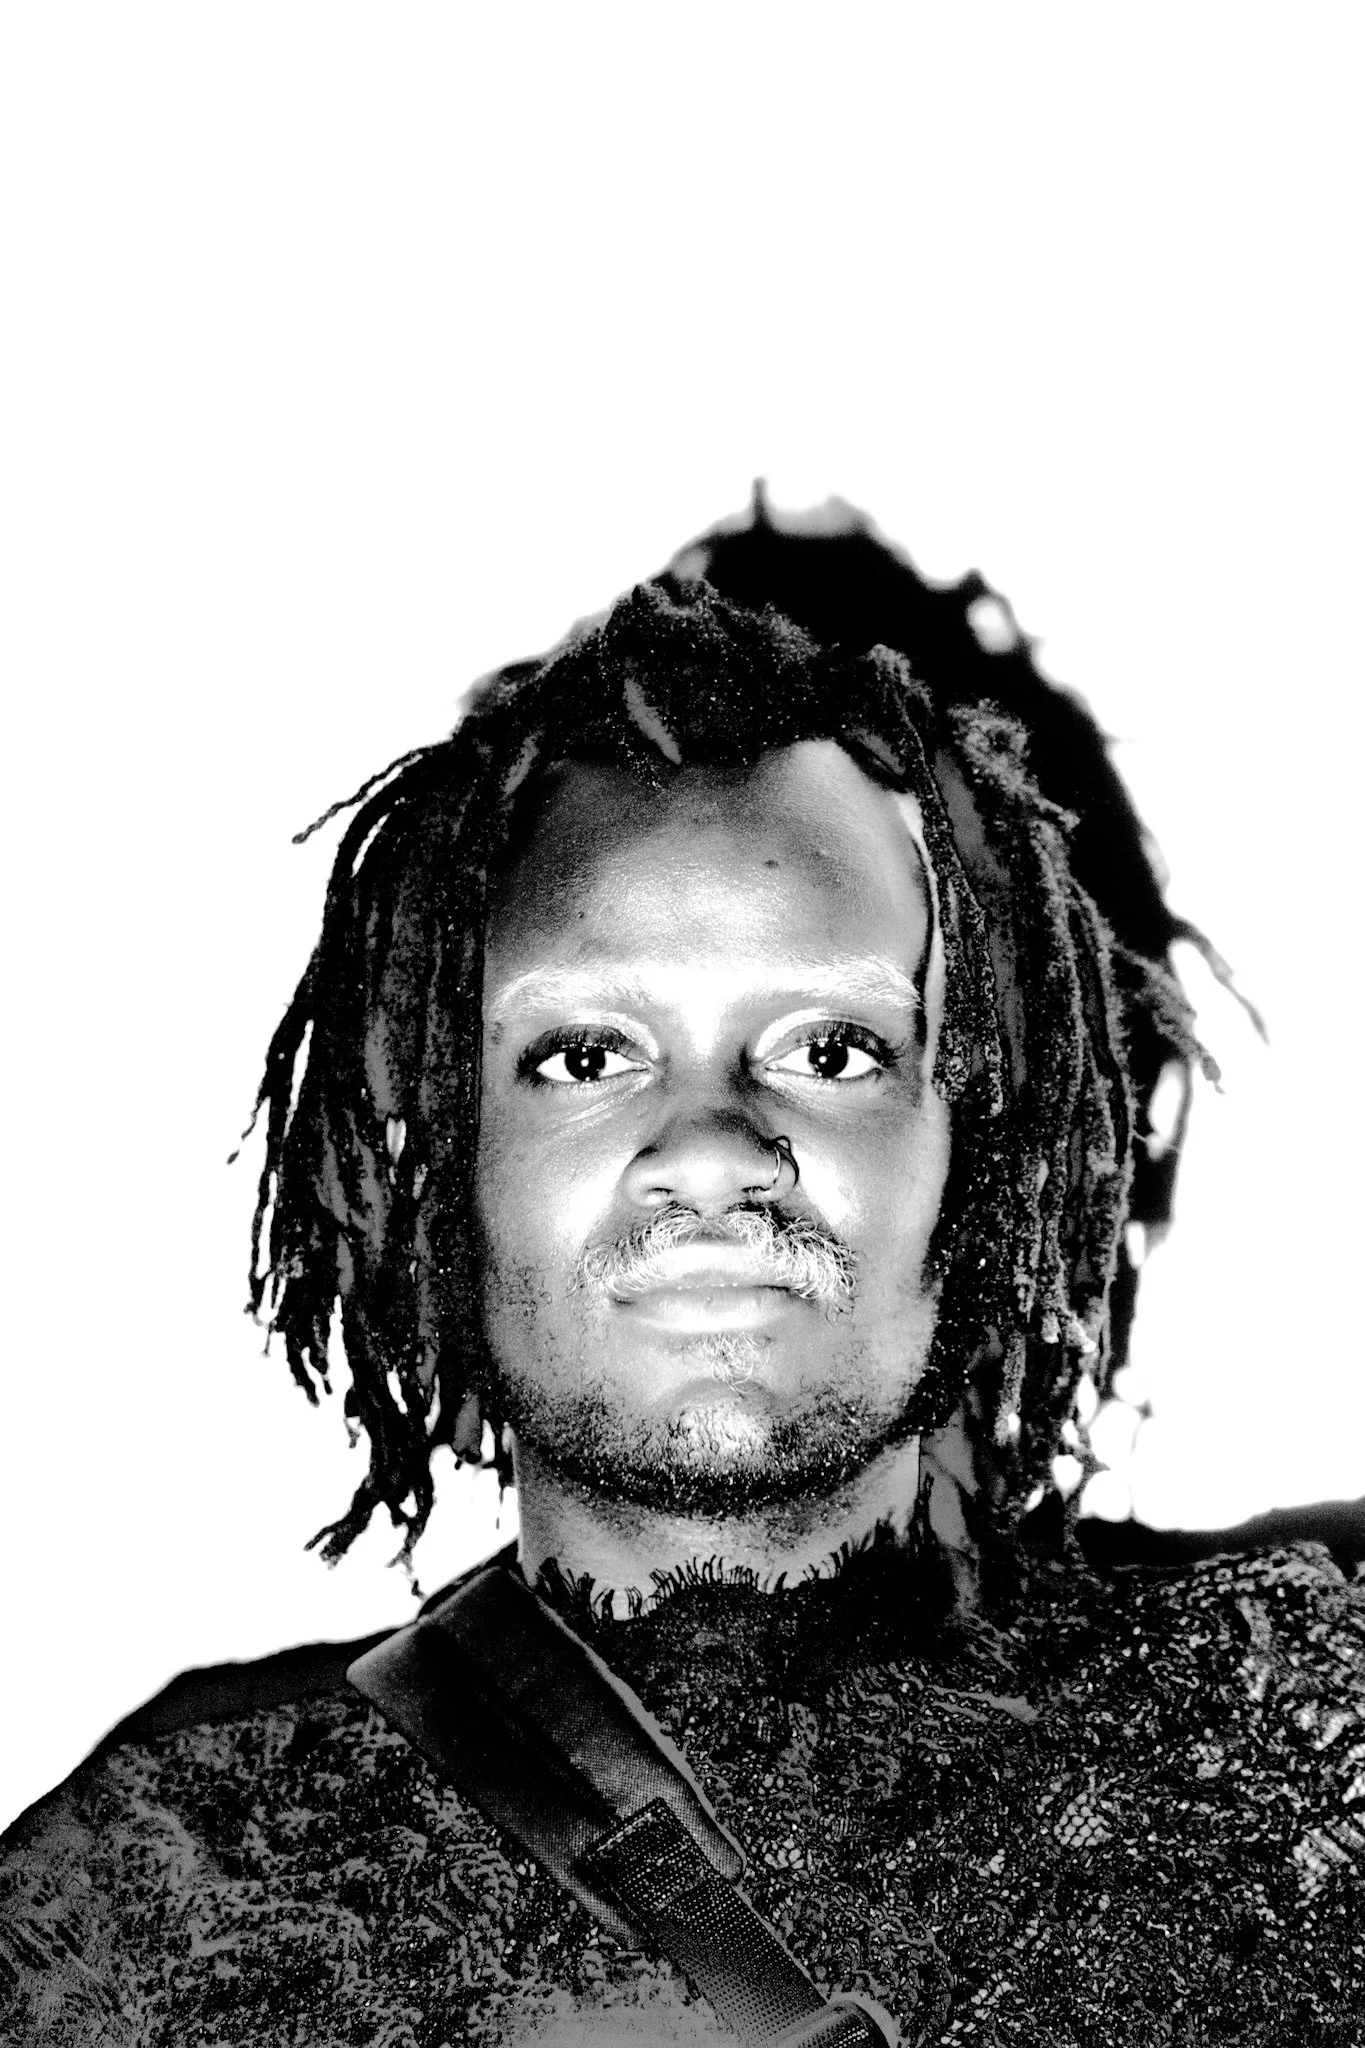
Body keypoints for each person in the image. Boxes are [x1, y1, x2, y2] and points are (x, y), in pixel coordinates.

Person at [2, 496, 1361, 2045]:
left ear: (980, 1153)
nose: (711, 1149)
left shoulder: (1295, 1759)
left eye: (830, 1048)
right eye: (589, 1054)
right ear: (442, 1160)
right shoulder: (158, 1896)